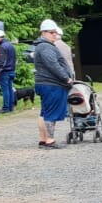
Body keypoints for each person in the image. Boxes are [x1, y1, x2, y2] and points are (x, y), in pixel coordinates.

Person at [32, 20, 75, 149]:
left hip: (47, 83)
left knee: (44, 113)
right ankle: (50, 140)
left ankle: (43, 139)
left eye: (55, 32)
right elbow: (53, 64)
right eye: (52, 32)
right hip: (51, 84)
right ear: (43, 32)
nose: (54, 35)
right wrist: (66, 78)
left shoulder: (44, 45)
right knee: (51, 113)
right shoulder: (45, 46)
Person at [0, 30, 17, 113]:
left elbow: (1, 61)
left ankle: (6, 108)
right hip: (11, 70)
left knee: (5, 90)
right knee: (10, 89)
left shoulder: (2, 47)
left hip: (4, 71)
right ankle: (11, 107)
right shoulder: (11, 45)